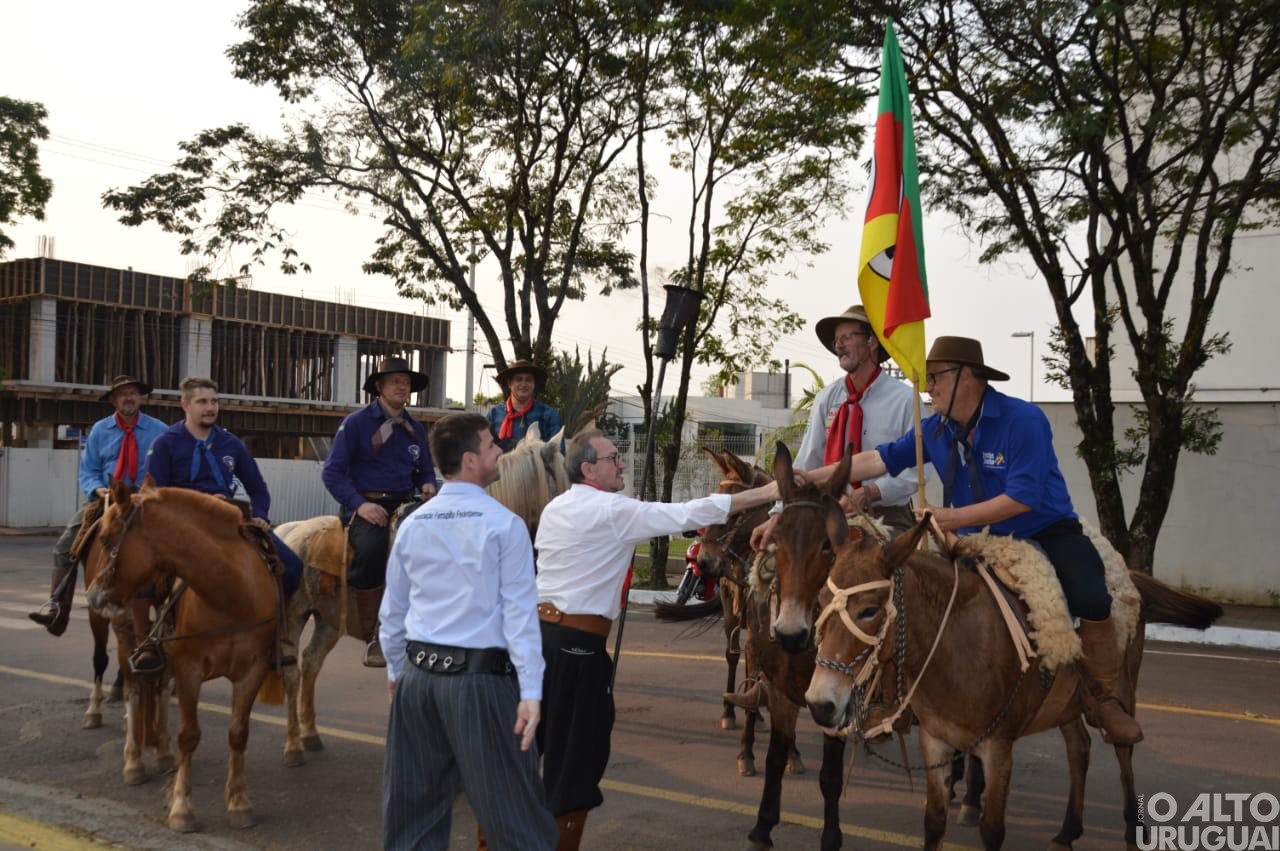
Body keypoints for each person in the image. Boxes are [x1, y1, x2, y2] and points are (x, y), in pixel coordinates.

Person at [804, 335, 1143, 745]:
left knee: (1089, 592)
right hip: (967, 539)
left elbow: (1022, 497)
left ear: (968, 376)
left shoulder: (1024, 419)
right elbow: (878, 459)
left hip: (1042, 530)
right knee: (904, 597)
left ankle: (1103, 698)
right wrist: (813, 477)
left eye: (935, 377)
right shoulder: (936, 427)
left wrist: (949, 518)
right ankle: (894, 697)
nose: (928, 388)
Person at [533, 429, 778, 849]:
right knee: (575, 763)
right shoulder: (612, 510)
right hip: (576, 649)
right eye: (613, 458)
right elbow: (688, 513)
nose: (623, 463)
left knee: (529, 754)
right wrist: (770, 492)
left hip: (538, 640)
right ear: (588, 468)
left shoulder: (556, 506)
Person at [380, 413, 557, 851]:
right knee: (517, 820)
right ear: (470, 460)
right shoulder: (505, 525)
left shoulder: (413, 524)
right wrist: (531, 692)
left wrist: (397, 671)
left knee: (412, 821)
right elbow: (520, 617)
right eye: (491, 445)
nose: (500, 450)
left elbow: (392, 613)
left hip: (417, 682)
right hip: (479, 685)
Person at [141, 376, 303, 670]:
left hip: (232, 522)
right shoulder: (165, 444)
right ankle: (154, 637)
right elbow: (154, 497)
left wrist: (261, 516)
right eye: (202, 402)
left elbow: (257, 487)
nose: (210, 408)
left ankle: (277, 634)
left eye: (214, 401)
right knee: (148, 574)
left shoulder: (230, 443)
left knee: (291, 566)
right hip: (184, 527)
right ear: (185, 405)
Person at [29, 375, 167, 636]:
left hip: (145, 498)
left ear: (140, 398)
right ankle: (57, 609)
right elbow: (88, 469)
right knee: (65, 545)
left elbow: (166, 464)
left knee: (177, 545)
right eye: (123, 393)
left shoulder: (159, 429)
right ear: (113, 400)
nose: (129, 397)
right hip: (107, 497)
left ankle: (173, 609)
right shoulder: (100, 430)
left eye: (133, 393)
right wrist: (96, 488)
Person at [322, 356, 437, 668]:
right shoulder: (356, 423)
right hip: (366, 505)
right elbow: (332, 474)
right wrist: (360, 504)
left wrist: (427, 485)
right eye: (395, 381)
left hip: (406, 504)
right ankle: (377, 635)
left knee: (438, 551)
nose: (402, 386)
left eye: (406, 382)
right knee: (372, 552)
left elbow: (425, 471)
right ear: (379, 387)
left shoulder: (414, 428)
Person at [486, 359, 563, 451]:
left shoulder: (549, 415)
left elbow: (558, 453)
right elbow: (484, 450)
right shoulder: (494, 415)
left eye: (529, 380)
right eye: (518, 379)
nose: (524, 384)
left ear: (534, 384)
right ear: (510, 383)